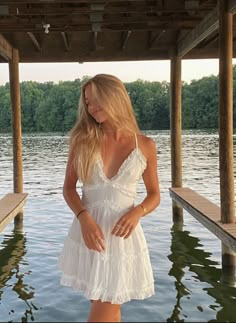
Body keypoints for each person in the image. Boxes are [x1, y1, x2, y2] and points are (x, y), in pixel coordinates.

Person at [58, 74, 160, 322]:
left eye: (95, 100)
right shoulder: (82, 140)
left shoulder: (145, 145)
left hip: (122, 239)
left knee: (106, 308)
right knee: (107, 308)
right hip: (90, 235)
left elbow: (154, 195)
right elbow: (69, 189)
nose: (91, 108)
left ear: (114, 97)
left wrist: (137, 212)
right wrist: (84, 219)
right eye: (87, 102)